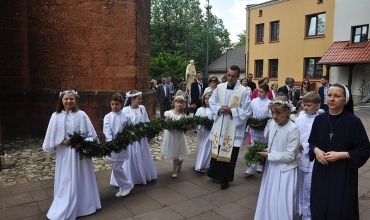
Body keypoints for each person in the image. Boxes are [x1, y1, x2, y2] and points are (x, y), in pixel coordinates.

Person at [308, 83, 370, 219]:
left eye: (337, 96)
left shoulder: (354, 122)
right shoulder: (319, 119)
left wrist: (342, 155)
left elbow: (365, 149)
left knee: (340, 208)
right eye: (329, 95)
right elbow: (312, 141)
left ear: (345, 100)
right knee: (319, 207)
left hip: (343, 172)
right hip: (321, 170)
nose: (331, 99)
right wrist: (316, 150)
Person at [42, 90, 101, 219]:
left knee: (82, 176)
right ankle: (65, 203)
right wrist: (63, 141)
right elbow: (51, 135)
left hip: (79, 153)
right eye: (66, 99)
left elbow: (90, 132)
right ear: (61, 101)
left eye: (71, 99)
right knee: (66, 177)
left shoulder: (82, 115)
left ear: (75, 100)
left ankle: (84, 205)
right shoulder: (55, 116)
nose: (69, 101)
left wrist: (82, 142)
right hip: (65, 153)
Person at [254, 96, 301, 220]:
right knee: (270, 193)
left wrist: (269, 155)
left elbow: (290, 155)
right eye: (273, 112)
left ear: (288, 112)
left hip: (286, 169)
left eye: (279, 113)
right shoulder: (273, 125)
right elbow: (274, 144)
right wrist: (267, 150)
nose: (275, 116)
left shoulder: (293, 129)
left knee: (282, 198)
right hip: (272, 166)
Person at [207, 65, 251, 190]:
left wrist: (231, 111)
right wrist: (218, 108)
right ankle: (215, 174)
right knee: (217, 152)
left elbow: (246, 110)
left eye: (233, 76)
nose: (230, 78)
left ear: (238, 76)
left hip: (233, 129)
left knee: (230, 156)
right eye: (229, 75)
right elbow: (212, 102)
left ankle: (225, 180)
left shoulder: (244, 91)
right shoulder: (219, 88)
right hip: (220, 126)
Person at [294, 91, 320, 220]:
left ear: (317, 105)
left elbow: (319, 142)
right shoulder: (299, 119)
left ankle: (308, 215)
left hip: (311, 159)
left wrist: (303, 145)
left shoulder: (321, 120)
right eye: (304, 104)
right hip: (299, 158)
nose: (305, 107)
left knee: (308, 188)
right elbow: (294, 135)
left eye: (308, 105)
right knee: (298, 186)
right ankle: (299, 208)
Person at [122, 91, 157, 185]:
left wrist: (148, 130)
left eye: (141, 98)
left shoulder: (142, 108)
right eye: (139, 99)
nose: (141, 100)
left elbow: (146, 120)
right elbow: (123, 124)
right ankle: (133, 177)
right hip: (131, 139)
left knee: (142, 155)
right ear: (132, 99)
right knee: (132, 157)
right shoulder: (125, 110)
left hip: (142, 137)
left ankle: (143, 175)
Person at [104, 93, 134, 197]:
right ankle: (122, 187)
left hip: (122, 145)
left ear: (121, 104)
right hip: (112, 145)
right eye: (112, 104)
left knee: (117, 167)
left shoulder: (126, 116)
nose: (114, 106)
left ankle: (127, 185)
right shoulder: (107, 117)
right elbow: (107, 131)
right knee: (115, 167)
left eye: (117, 104)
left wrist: (128, 138)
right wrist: (111, 142)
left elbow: (130, 129)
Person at [245, 84, 271, 175]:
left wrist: (265, 124)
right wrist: (250, 122)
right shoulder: (254, 101)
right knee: (254, 146)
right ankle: (250, 167)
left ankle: (261, 164)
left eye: (261, 92)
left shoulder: (269, 103)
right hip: (255, 128)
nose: (259, 93)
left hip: (264, 130)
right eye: (259, 91)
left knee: (263, 147)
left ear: (267, 92)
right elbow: (249, 112)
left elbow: (270, 116)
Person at [160, 96, 188, 178]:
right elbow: (166, 123)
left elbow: (185, 127)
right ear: (174, 103)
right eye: (177, 102)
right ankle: (180, 160)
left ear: (183, 105)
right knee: (173, 151)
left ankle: (174, 170)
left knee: (176, 152)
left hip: (178, 136)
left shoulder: (183, 116)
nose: (179, 104)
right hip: (170, 135)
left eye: (181, 103)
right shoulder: (169, 113)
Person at [194, 92, 213, 172]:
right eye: (206, 98)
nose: (207, 100)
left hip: (210, 132)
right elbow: (196, 120)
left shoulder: (214, 110)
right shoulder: (200, 109)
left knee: (207, 147)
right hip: (202, 132)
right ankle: (198, 163)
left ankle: (204, 164)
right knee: (200, 147)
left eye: (208, 98)